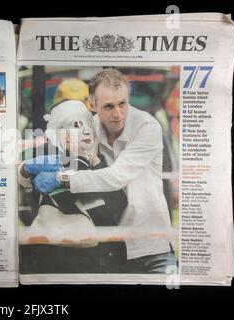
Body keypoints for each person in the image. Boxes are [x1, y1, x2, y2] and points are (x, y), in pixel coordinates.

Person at [30, 68, 176, 274]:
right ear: (92, 105)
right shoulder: (87, 128)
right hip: (110, 248)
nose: (118, 114)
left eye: (123, 103)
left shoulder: (147, 126)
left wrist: (60, 178)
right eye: (108, 106)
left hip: (152, 246)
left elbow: (116, 177)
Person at [19, 100, 128, 273]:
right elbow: (58, 195)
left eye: (82, 123)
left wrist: (93, 161)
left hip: (99, 256)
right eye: (71, 125)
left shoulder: (99, 159)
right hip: (55, 254)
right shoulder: (48, 158)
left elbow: (119, 204)